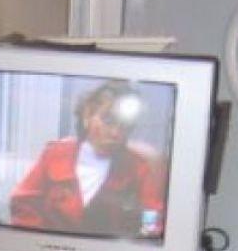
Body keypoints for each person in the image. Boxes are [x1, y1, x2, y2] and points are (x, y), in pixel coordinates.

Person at [9, 81, 165, 238]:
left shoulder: (137, 168)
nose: (115, 133)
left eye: (124, 126)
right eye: (108, 121)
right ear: (87, 115)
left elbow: (152, 215)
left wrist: (143, 242)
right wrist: (38, 242)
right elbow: (23, 202)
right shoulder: (56, 153)